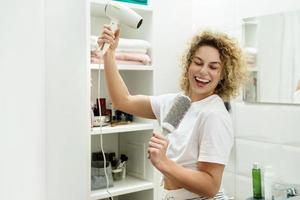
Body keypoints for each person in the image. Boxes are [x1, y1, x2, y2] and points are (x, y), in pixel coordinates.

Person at [98, 25, 247, 200]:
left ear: (223, 75)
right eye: (198, 62)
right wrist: (109, 53)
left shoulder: (213, 114)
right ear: (189, 63)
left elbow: (210, 186)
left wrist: (164, 162)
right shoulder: (179, 103)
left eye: (213, 67)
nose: (203, 71)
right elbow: (123, 101)